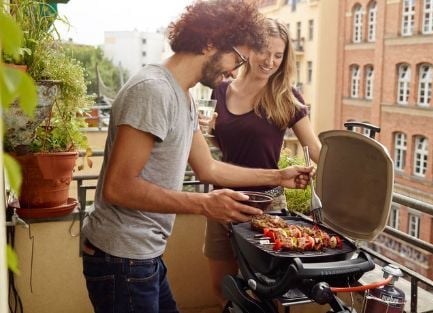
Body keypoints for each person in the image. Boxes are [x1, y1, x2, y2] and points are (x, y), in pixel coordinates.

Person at [80, 2, 314, 313]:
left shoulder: (184, 95)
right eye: (237, 58)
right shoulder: (153, 90)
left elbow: (208, 168)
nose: (234, 69)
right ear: (210, 42)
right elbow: (119, 187)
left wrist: (277, 177)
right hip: (121, 257)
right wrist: (204, 204)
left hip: (143, 256)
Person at [202, 18, 322, 304]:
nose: (270, 61)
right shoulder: (220, 90)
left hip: (266, 205)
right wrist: (206, 130)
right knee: (222, 287)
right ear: (248, 50)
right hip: (222, 200)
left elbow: (316, 149)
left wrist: (358, 168)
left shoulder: (287, 97)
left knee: (266, 293)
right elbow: (219, 147)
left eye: (278, 55)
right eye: (263, 51)